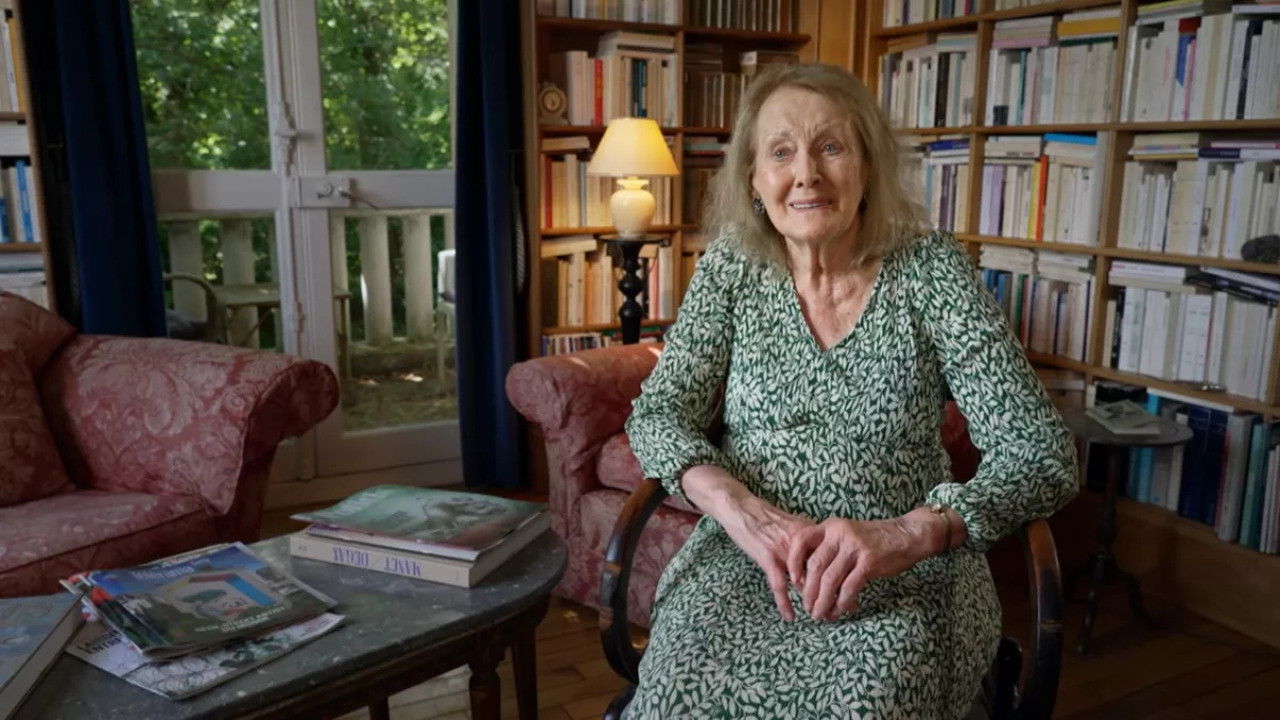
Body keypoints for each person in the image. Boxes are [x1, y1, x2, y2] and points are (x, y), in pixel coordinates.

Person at [623, 63, 1078, 719]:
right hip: (747, 560)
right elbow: (659, 414)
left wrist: (914, 532)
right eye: (781, 152)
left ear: (868, 164)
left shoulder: (930, 269)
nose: (806, 173)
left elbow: (1041, 453)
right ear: (753, 179)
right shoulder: (731, 267)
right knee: (672, 697)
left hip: (903, 571)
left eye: (830, 146)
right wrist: (735, 507)